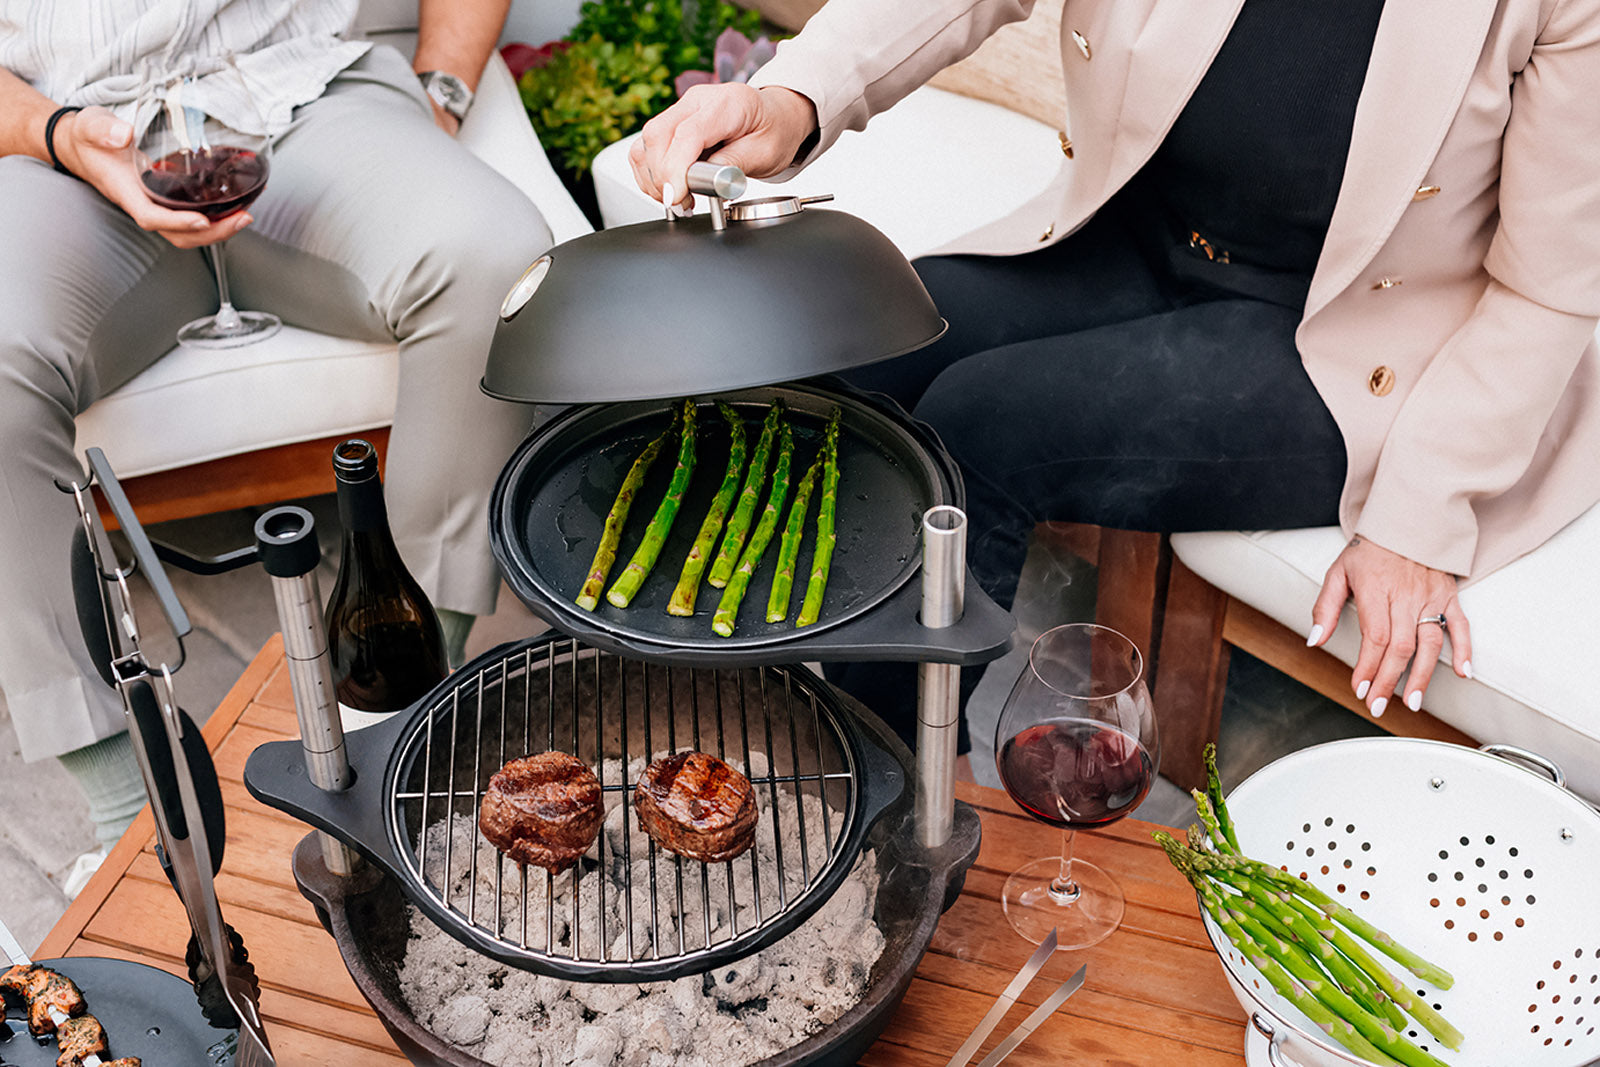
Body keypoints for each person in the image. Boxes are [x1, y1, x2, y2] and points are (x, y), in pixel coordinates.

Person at [627, 0, 1600, 747]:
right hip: (1143, 237)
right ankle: (762, 719)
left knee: (986, 424)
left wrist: (1419, 518)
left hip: (1369, 340)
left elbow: (1551, 291)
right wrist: (790, 97)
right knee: (873, 347)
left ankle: (881, 800)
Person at [0, 0, 555, 874]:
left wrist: (440, 91)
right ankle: (129, 819)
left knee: (493, 258)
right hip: (59, 144)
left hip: (303, 103)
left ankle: (402, 711)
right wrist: (57, 132)